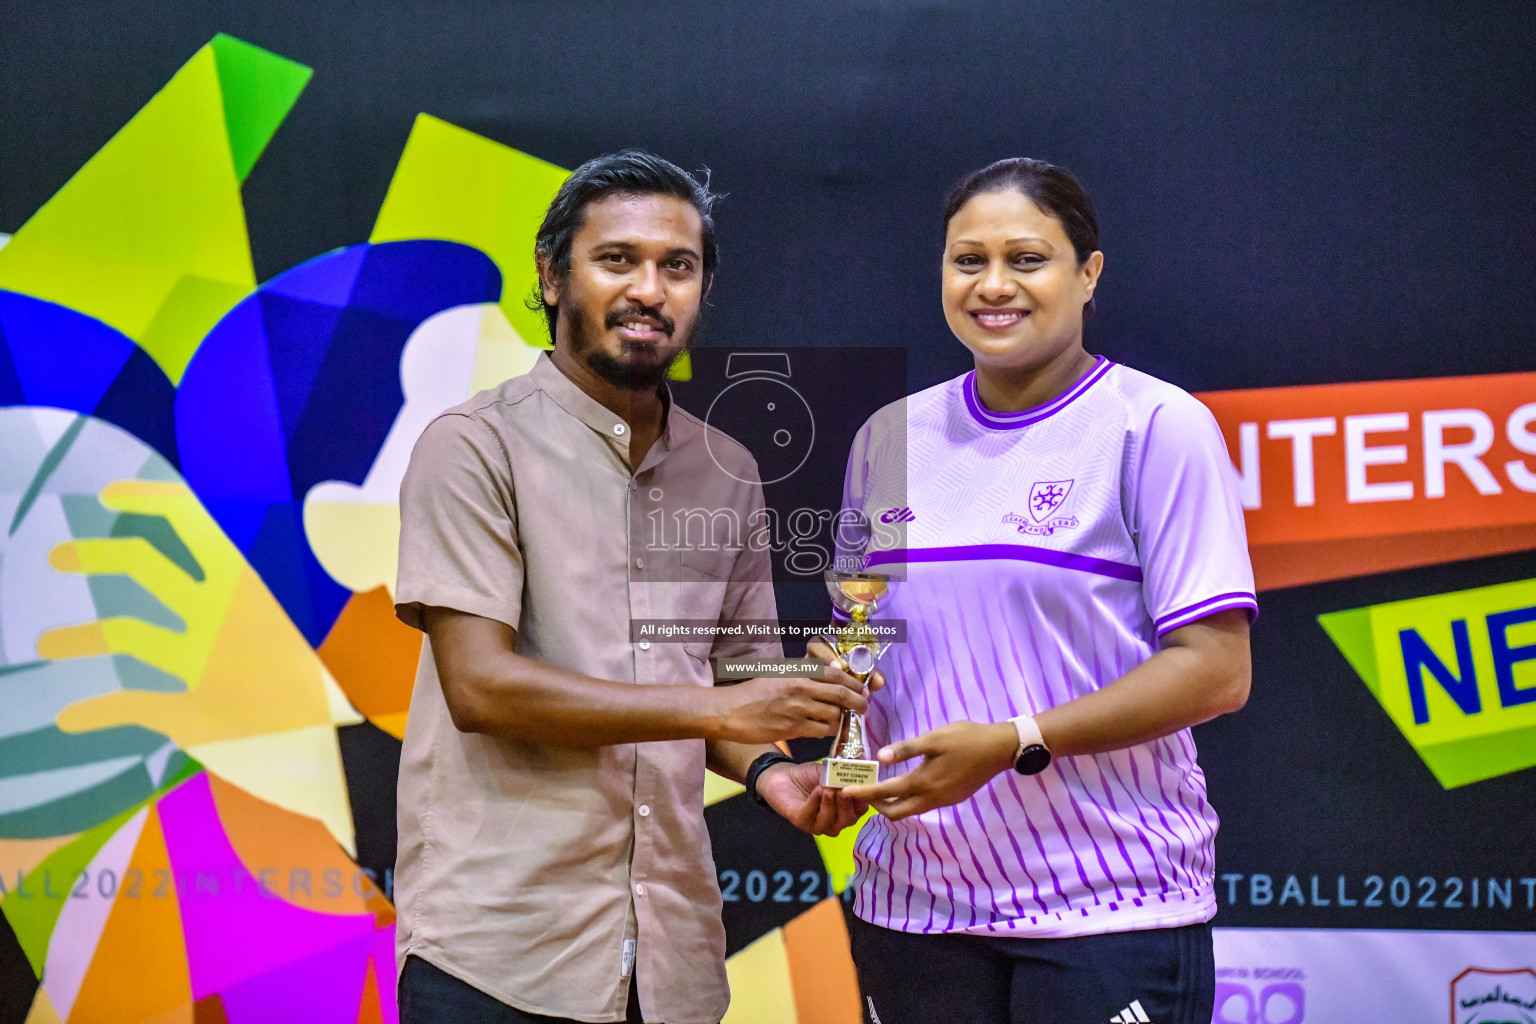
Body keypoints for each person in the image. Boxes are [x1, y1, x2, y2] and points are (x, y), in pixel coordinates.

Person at [391, 150, 870, 1024]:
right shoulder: (472, 445)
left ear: (702, 289)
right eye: (617, 260)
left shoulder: (728, 468)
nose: (649, 289)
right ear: (551, 274)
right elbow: (480, 687)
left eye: (676, 266)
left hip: (671, 960)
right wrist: (718, 712)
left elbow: (733, 689)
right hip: (500, 958)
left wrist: (772, 773)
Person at [834, 158, 1255, 1024]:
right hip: (911, 904)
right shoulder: (889, 436)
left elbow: (1216, 672)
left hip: (1107, 904)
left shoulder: (1158, 427)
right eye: (967, 260)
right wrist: (836, 718)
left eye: (1027, 259)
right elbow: (861, 645)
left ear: (1088, 273)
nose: (994, 286)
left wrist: (1015, 740)